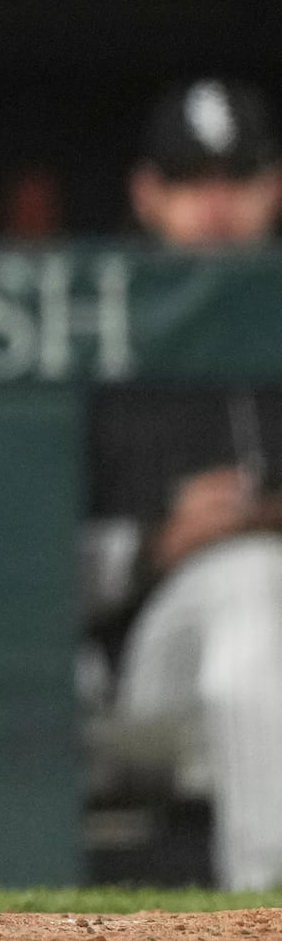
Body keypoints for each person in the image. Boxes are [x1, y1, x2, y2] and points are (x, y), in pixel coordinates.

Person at [90, 78, 282, 890]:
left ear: (273, 188)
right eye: (190, 183)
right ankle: (267, 899)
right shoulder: (93, 328)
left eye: (235, 180)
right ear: (147, 195)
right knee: (243, 579)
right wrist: (156, 544)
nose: (215, 204)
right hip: (147, 667)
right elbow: (23, 566)